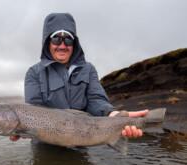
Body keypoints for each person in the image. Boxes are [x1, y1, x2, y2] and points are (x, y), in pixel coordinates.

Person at [10, 13, 148, 142]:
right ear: (47, 42)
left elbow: (96, 99)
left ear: (74, 43)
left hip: (81, 143)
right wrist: (22, 130)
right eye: (56, 39)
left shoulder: (88, 69)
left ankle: (151, 123)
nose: (62, 46)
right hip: (45, 146)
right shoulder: (34, 73)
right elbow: (34, 110)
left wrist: (112, 115)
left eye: (68, 40)